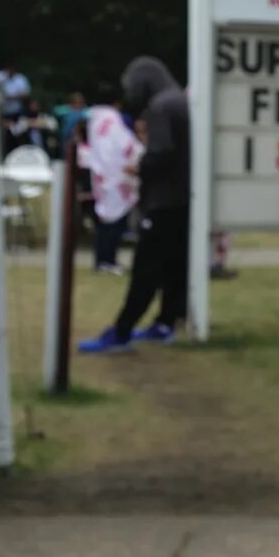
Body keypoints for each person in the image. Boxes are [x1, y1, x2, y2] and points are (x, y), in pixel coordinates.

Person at [78, 57, 191, 352]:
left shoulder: (160, 107)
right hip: (183, 200)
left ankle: (122, 331)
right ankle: (166, 322)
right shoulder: (181, 101)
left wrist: (139, 165)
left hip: (162, 200)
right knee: (174, 267)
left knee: (146, 267)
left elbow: (161, 152)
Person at [76, 100, 143, 274]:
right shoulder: (113, 124)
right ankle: (105, 260)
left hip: (105, 182)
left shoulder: (97, 124)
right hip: (115, 182)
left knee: (108, 224)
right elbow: (125, 147)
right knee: (112, 226)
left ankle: (106, 260)